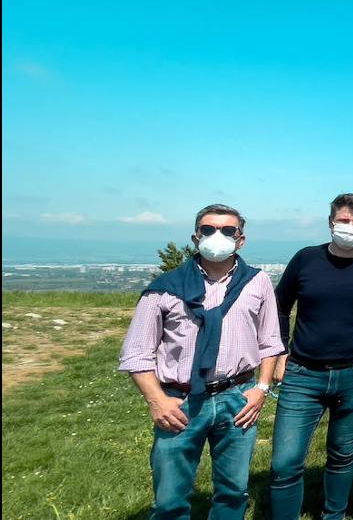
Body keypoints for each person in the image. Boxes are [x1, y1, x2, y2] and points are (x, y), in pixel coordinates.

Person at [119, 203, 282, 520]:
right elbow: (137, 353)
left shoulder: (257, 282)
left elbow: (270, 341)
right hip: (178, 403)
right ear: (196, 237)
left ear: (241, 239)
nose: (216, 236)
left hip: (238, 398)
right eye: (208, 229)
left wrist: (261, 388)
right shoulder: (165, 288)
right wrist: (157, 401)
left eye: (227, 230)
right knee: (169, 501)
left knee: (233, 493)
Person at [268, 193, 353, 520]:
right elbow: (279, 306)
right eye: (343, 221)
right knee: (285, 462)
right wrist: (280, 352)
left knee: (342, 454)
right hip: (302, 374)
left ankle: (334, 515)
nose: (349, 227)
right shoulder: (306, 259)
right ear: (330, 221)